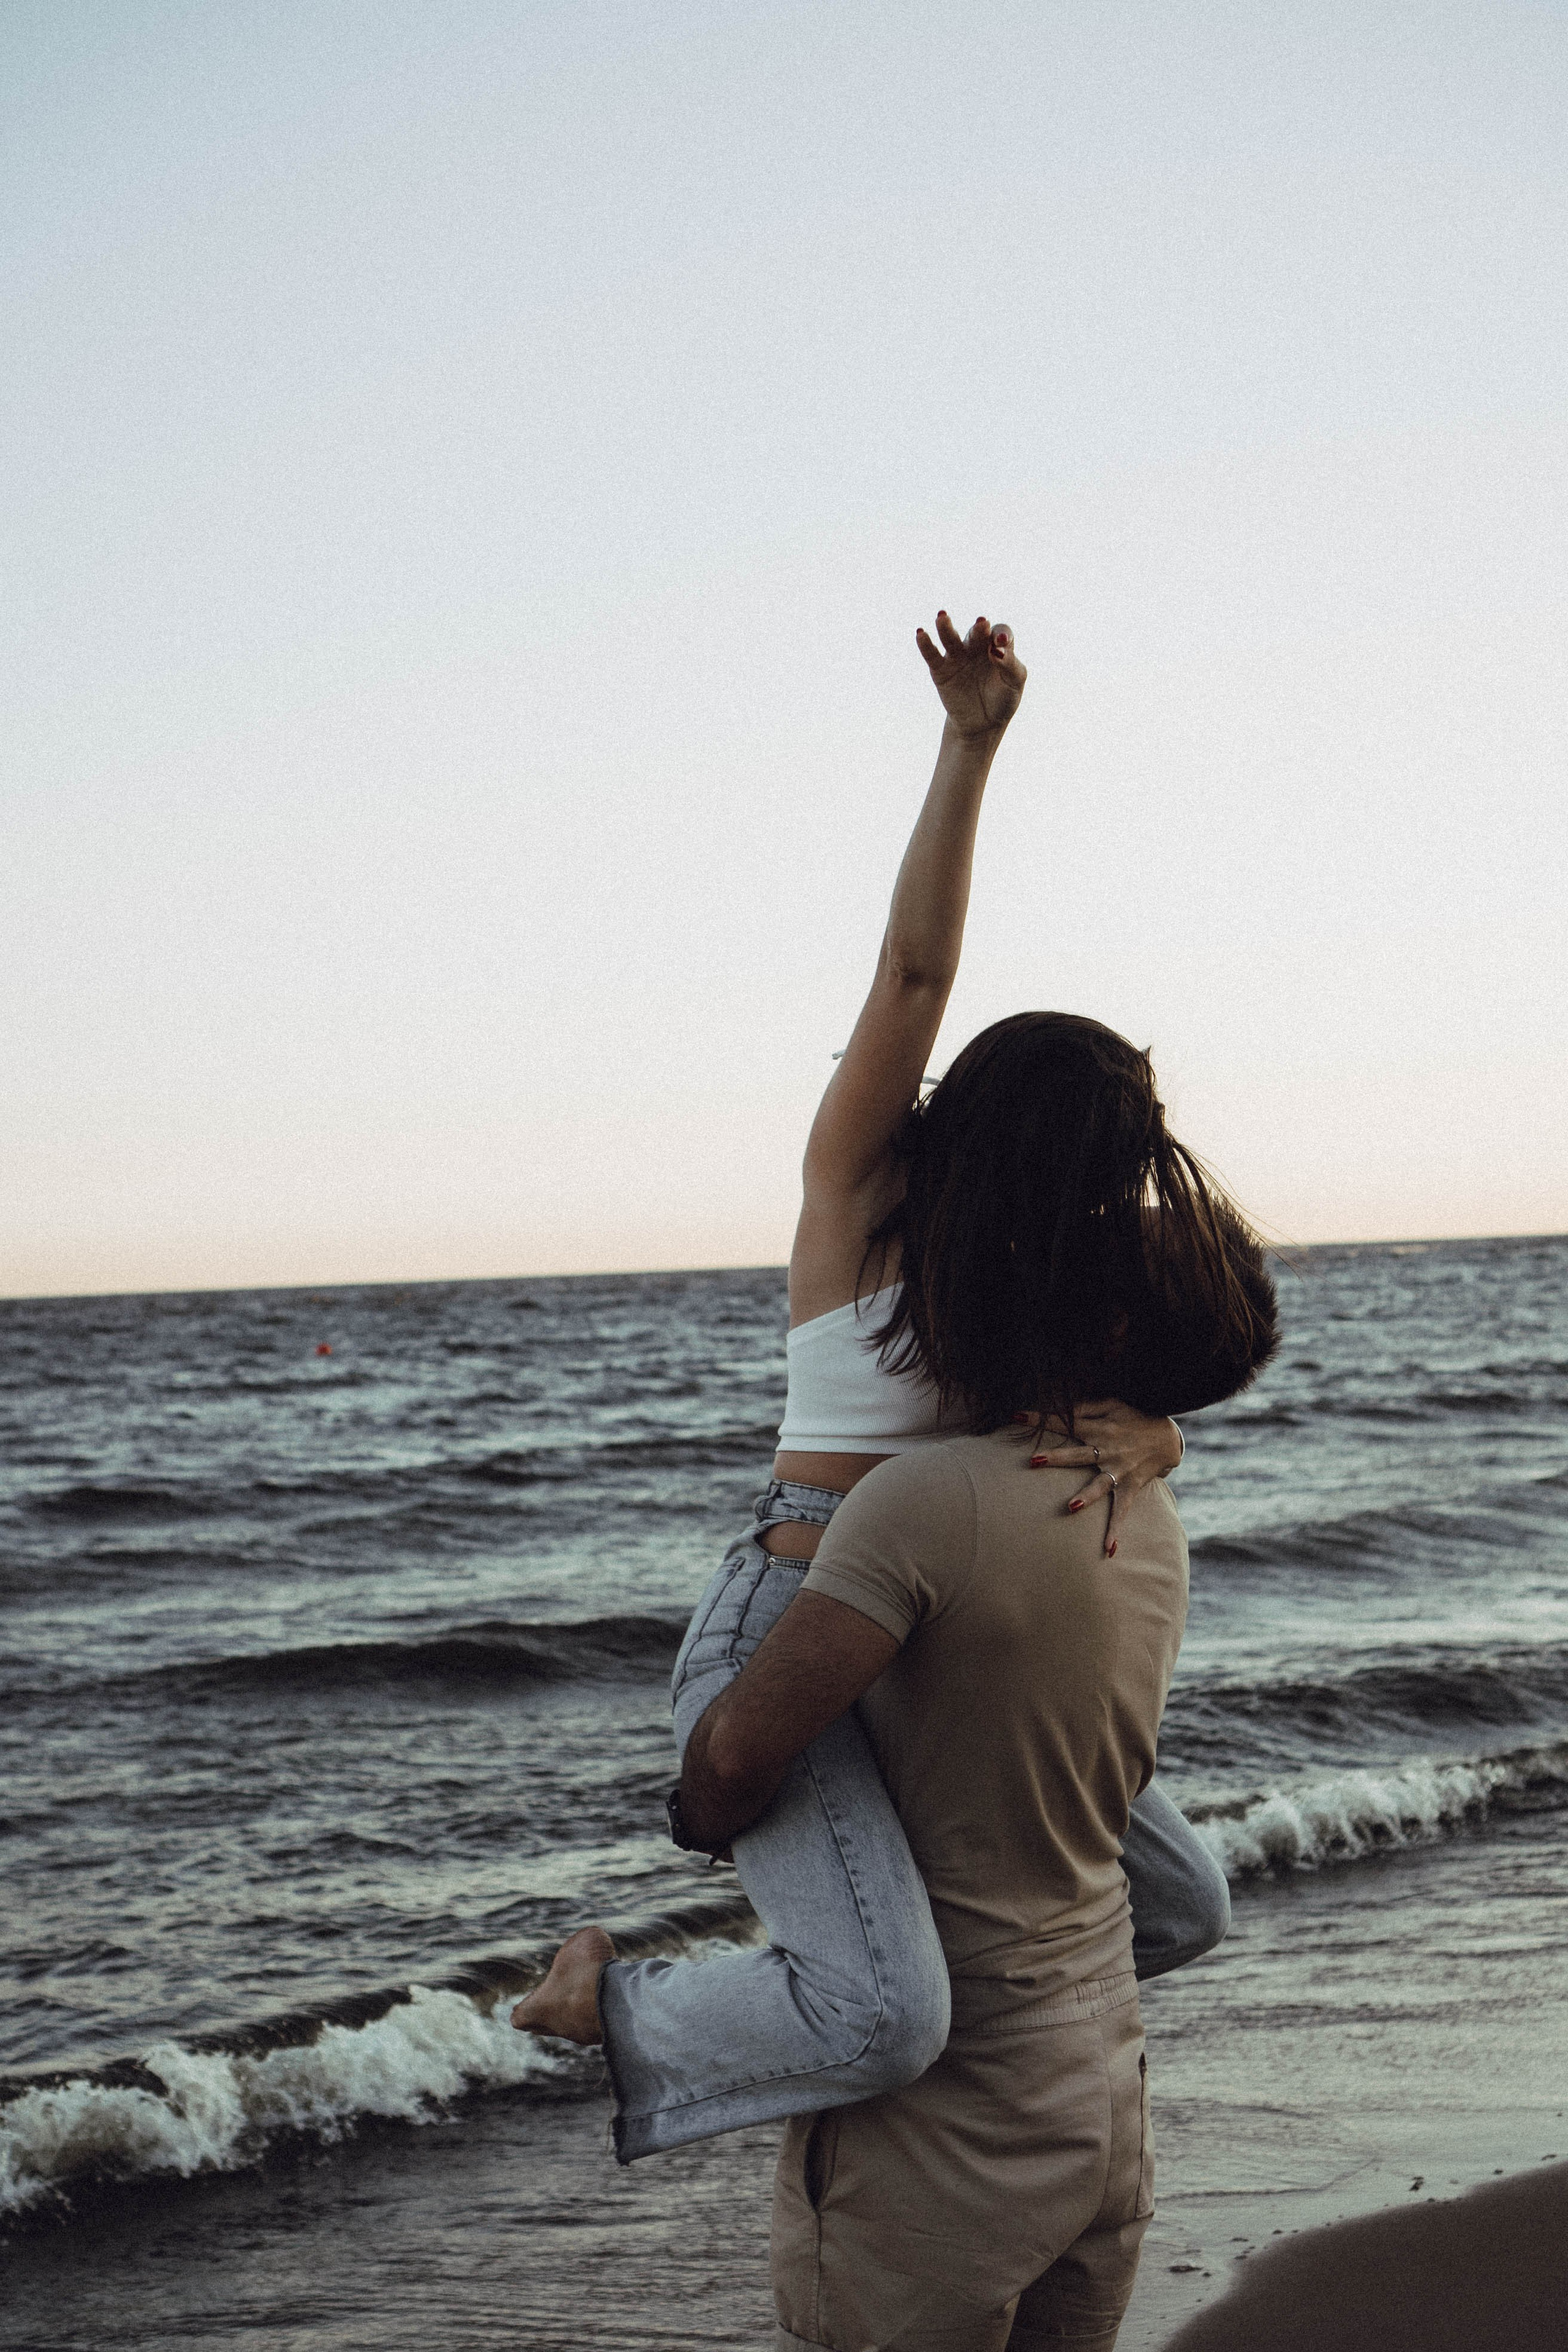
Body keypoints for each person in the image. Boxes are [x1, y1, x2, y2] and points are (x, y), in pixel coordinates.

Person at [514, 616, 1268, 2194]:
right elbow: (913, 969)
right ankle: (620, 1998)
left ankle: (914, 2015)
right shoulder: (859, 1192)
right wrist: (971, 746)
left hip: (952, 1644)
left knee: (1185, 1907)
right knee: (887, 2021)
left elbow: (1175, 1377)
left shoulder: (1038, 1277)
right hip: (793, 1612)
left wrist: (1165, 1430)